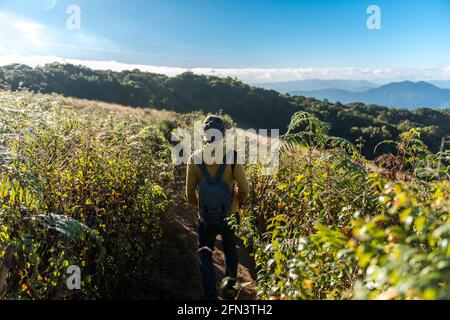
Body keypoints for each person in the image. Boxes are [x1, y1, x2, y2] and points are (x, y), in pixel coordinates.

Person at [186, 115, 249, 300]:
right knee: (230, 250)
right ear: (223, 134)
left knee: (205, 252)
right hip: (230, 213)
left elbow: (189, 194)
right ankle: (229, 292)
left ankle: (210, 296)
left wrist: (202, 207)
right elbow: (245, 189)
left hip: (206, 215)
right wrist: (237, 203)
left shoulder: (194, 158)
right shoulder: (232, 156)